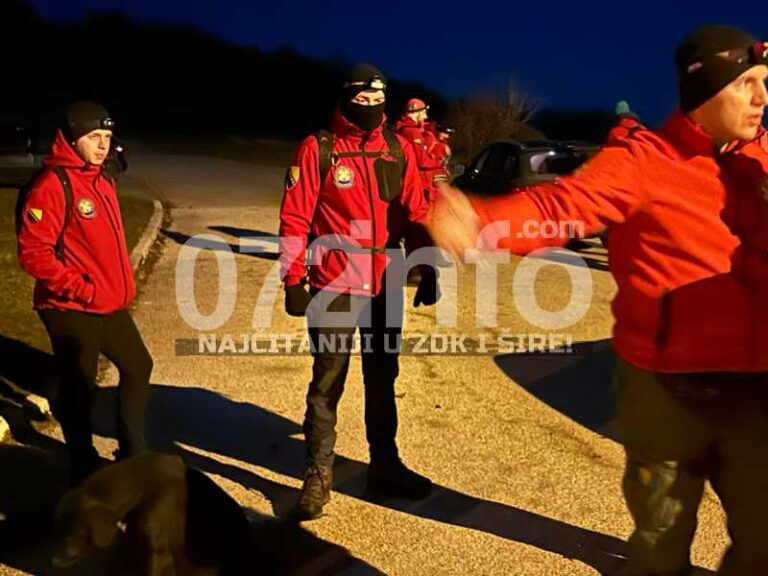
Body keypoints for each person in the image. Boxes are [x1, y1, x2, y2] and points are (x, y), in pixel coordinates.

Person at [427, 26, 768, 575]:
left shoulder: (762, 163)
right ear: (703, 89)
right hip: (665, 389)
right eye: (745, 83)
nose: (762, 97)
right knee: (660, 541)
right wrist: (482, 221)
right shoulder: (645, 162)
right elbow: (562, 206)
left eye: (765, 82)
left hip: (756, 388)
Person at [278, 64, 437, 520]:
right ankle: (318, 473)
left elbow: (415, 212)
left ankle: (384, 466)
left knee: (382, 376)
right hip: (335, 281)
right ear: (346, 100)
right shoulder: (319, 149)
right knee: (328, 379)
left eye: (377, 100)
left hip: (386, 278)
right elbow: (294, 218)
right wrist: (293, 279)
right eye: (362, 100)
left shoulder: (397, 148)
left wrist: (428, 265)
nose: (370, 108)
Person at [16, 101, 152, 486]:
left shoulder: (101, 179)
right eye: (93, 137)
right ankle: (83, 464)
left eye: (107, 136)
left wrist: (118, 284)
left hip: (106, 302)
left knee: (138, 366)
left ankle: (133, 452)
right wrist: (81, 288)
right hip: (69, 305)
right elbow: (33, 254)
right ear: (72, 138)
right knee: (80, 387)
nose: (102, 145)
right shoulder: (52, 185)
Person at [394, 98, 448, 189]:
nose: (425, 117)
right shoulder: (412, 131)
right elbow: (421, 161)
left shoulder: (403, 129)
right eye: (424, 113)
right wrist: (438, 164)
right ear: (417, 112)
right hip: (416, 182)